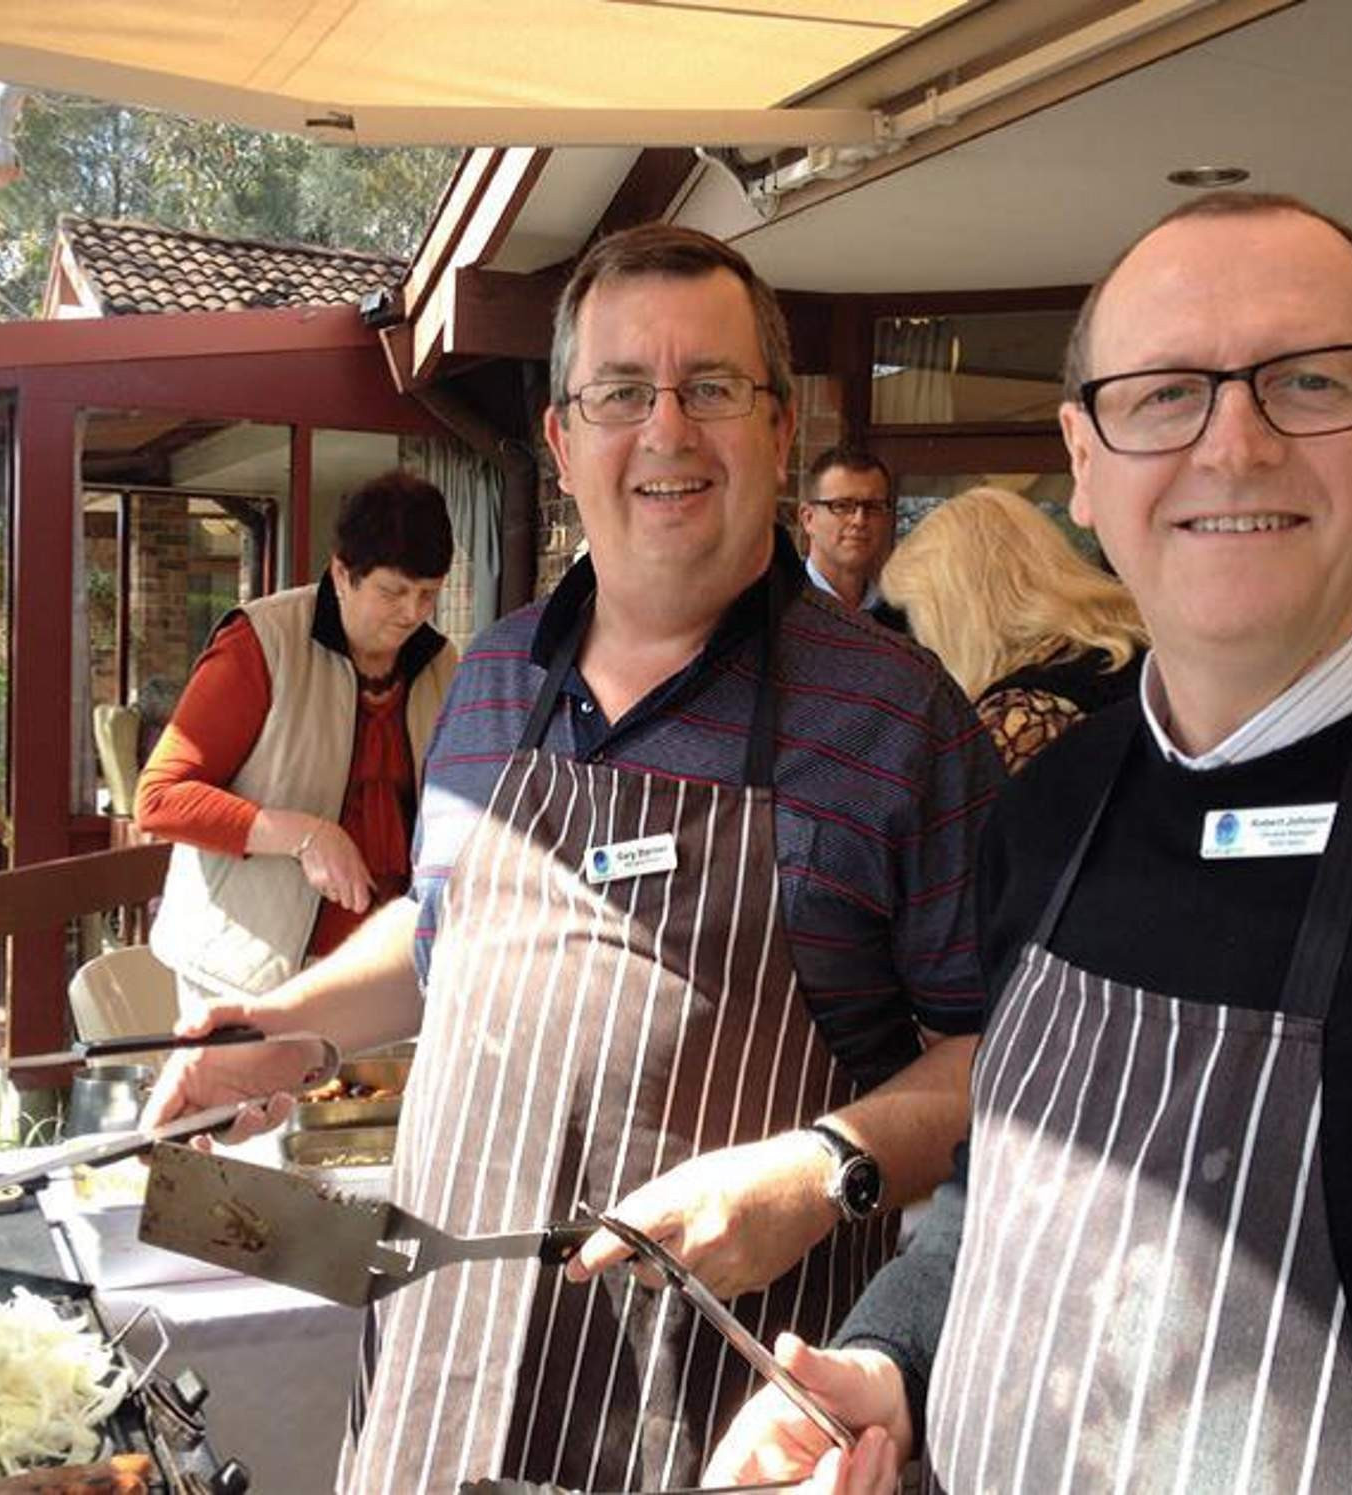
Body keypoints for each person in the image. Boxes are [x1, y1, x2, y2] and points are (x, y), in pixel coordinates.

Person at [706, 192, 1352, 1494]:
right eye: (1164, 393)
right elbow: (1003, 1183)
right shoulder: (1047, 806)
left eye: (1308, 380)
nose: (1234, 444)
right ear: (1084, 455)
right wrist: (894, 1356)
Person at [141, 223, 1003, 1492]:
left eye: (709, 388)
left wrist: (824, 1167)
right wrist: (291, 1021)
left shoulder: (895, 719)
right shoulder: (490, 679)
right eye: (617, 393)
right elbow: (450, 936)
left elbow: (1011, 1059)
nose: (664, 431)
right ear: (560, 439)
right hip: (435, 1389)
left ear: (776, 429)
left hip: (718, 1425)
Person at [136, 470, 458, 1010]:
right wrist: (304, 835)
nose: (414, 614)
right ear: (342, 573)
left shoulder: (443, 663)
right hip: (244, 980)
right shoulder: (260, 642)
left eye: (429, 593)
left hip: (385, 976)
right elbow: (160, 799)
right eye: (393, 591)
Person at [879, 485, 1146, 773]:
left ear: (961, 617)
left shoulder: (1021, 715)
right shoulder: (1130, 645)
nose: (921, 637)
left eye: (919, 615)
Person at [800, 444, 907, 631]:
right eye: (842, 506)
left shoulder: (901, 622)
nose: (859, 520)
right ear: (808, 518)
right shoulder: (773, 610)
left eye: (873, 507)